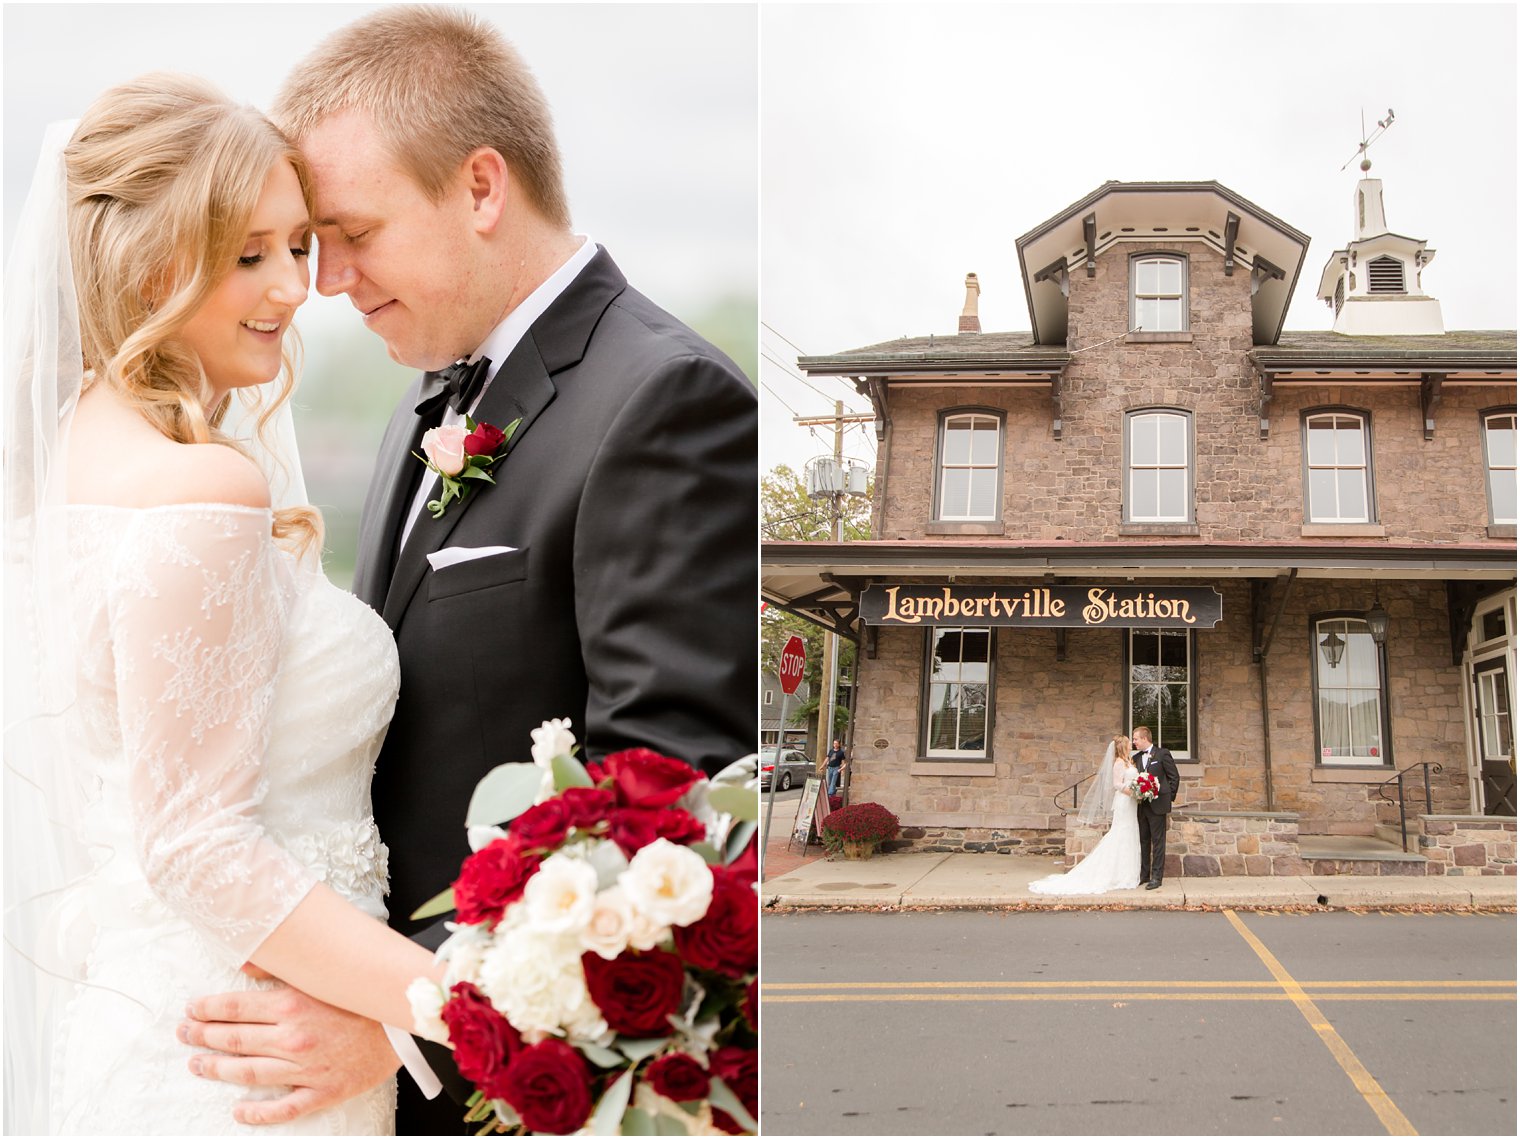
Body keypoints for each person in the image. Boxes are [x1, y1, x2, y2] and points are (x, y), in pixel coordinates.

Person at [181, 8, 757, 1133]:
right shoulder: (420, 399)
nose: (327, 277)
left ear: (481, 187)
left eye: (351, 230)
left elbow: (665, 805)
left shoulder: (665, 401)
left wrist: (415, 1012)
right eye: (312, 240)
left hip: (508, 1083)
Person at [2, 75, 449, 1134]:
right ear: (142, 263)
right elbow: (195, 843)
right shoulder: (204, 488)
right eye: (246, 252)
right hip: (250, 1049)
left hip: (153, 1022)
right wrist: (476, 1008)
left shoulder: (65, 462)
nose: (294, 286)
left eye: (297, 245)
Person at [1029, 735, 1142, 895]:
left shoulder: (1129, 761)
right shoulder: (1118, 763)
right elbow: (1117, 784)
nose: (1131, 744)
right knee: (1121, 833)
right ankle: (1116, 874)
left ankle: (1127, 872)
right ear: (1123, 746)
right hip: (1124, 801)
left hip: (1131, 803)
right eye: (1129, 743)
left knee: (1130, 832)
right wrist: (1133, 792)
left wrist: (1140, 789)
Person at [1132, 724, 1180, 889]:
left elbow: (1174, 777)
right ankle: (1144, 875)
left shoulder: (1162, 754)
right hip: (1141, 805)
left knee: (1158, 842)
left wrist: (1168, 798)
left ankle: (1157, 877)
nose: (1134, 742)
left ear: (1145, 738)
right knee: (1143, 841)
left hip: (1158, 805)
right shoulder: (1137, 758)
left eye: (1136, 739)